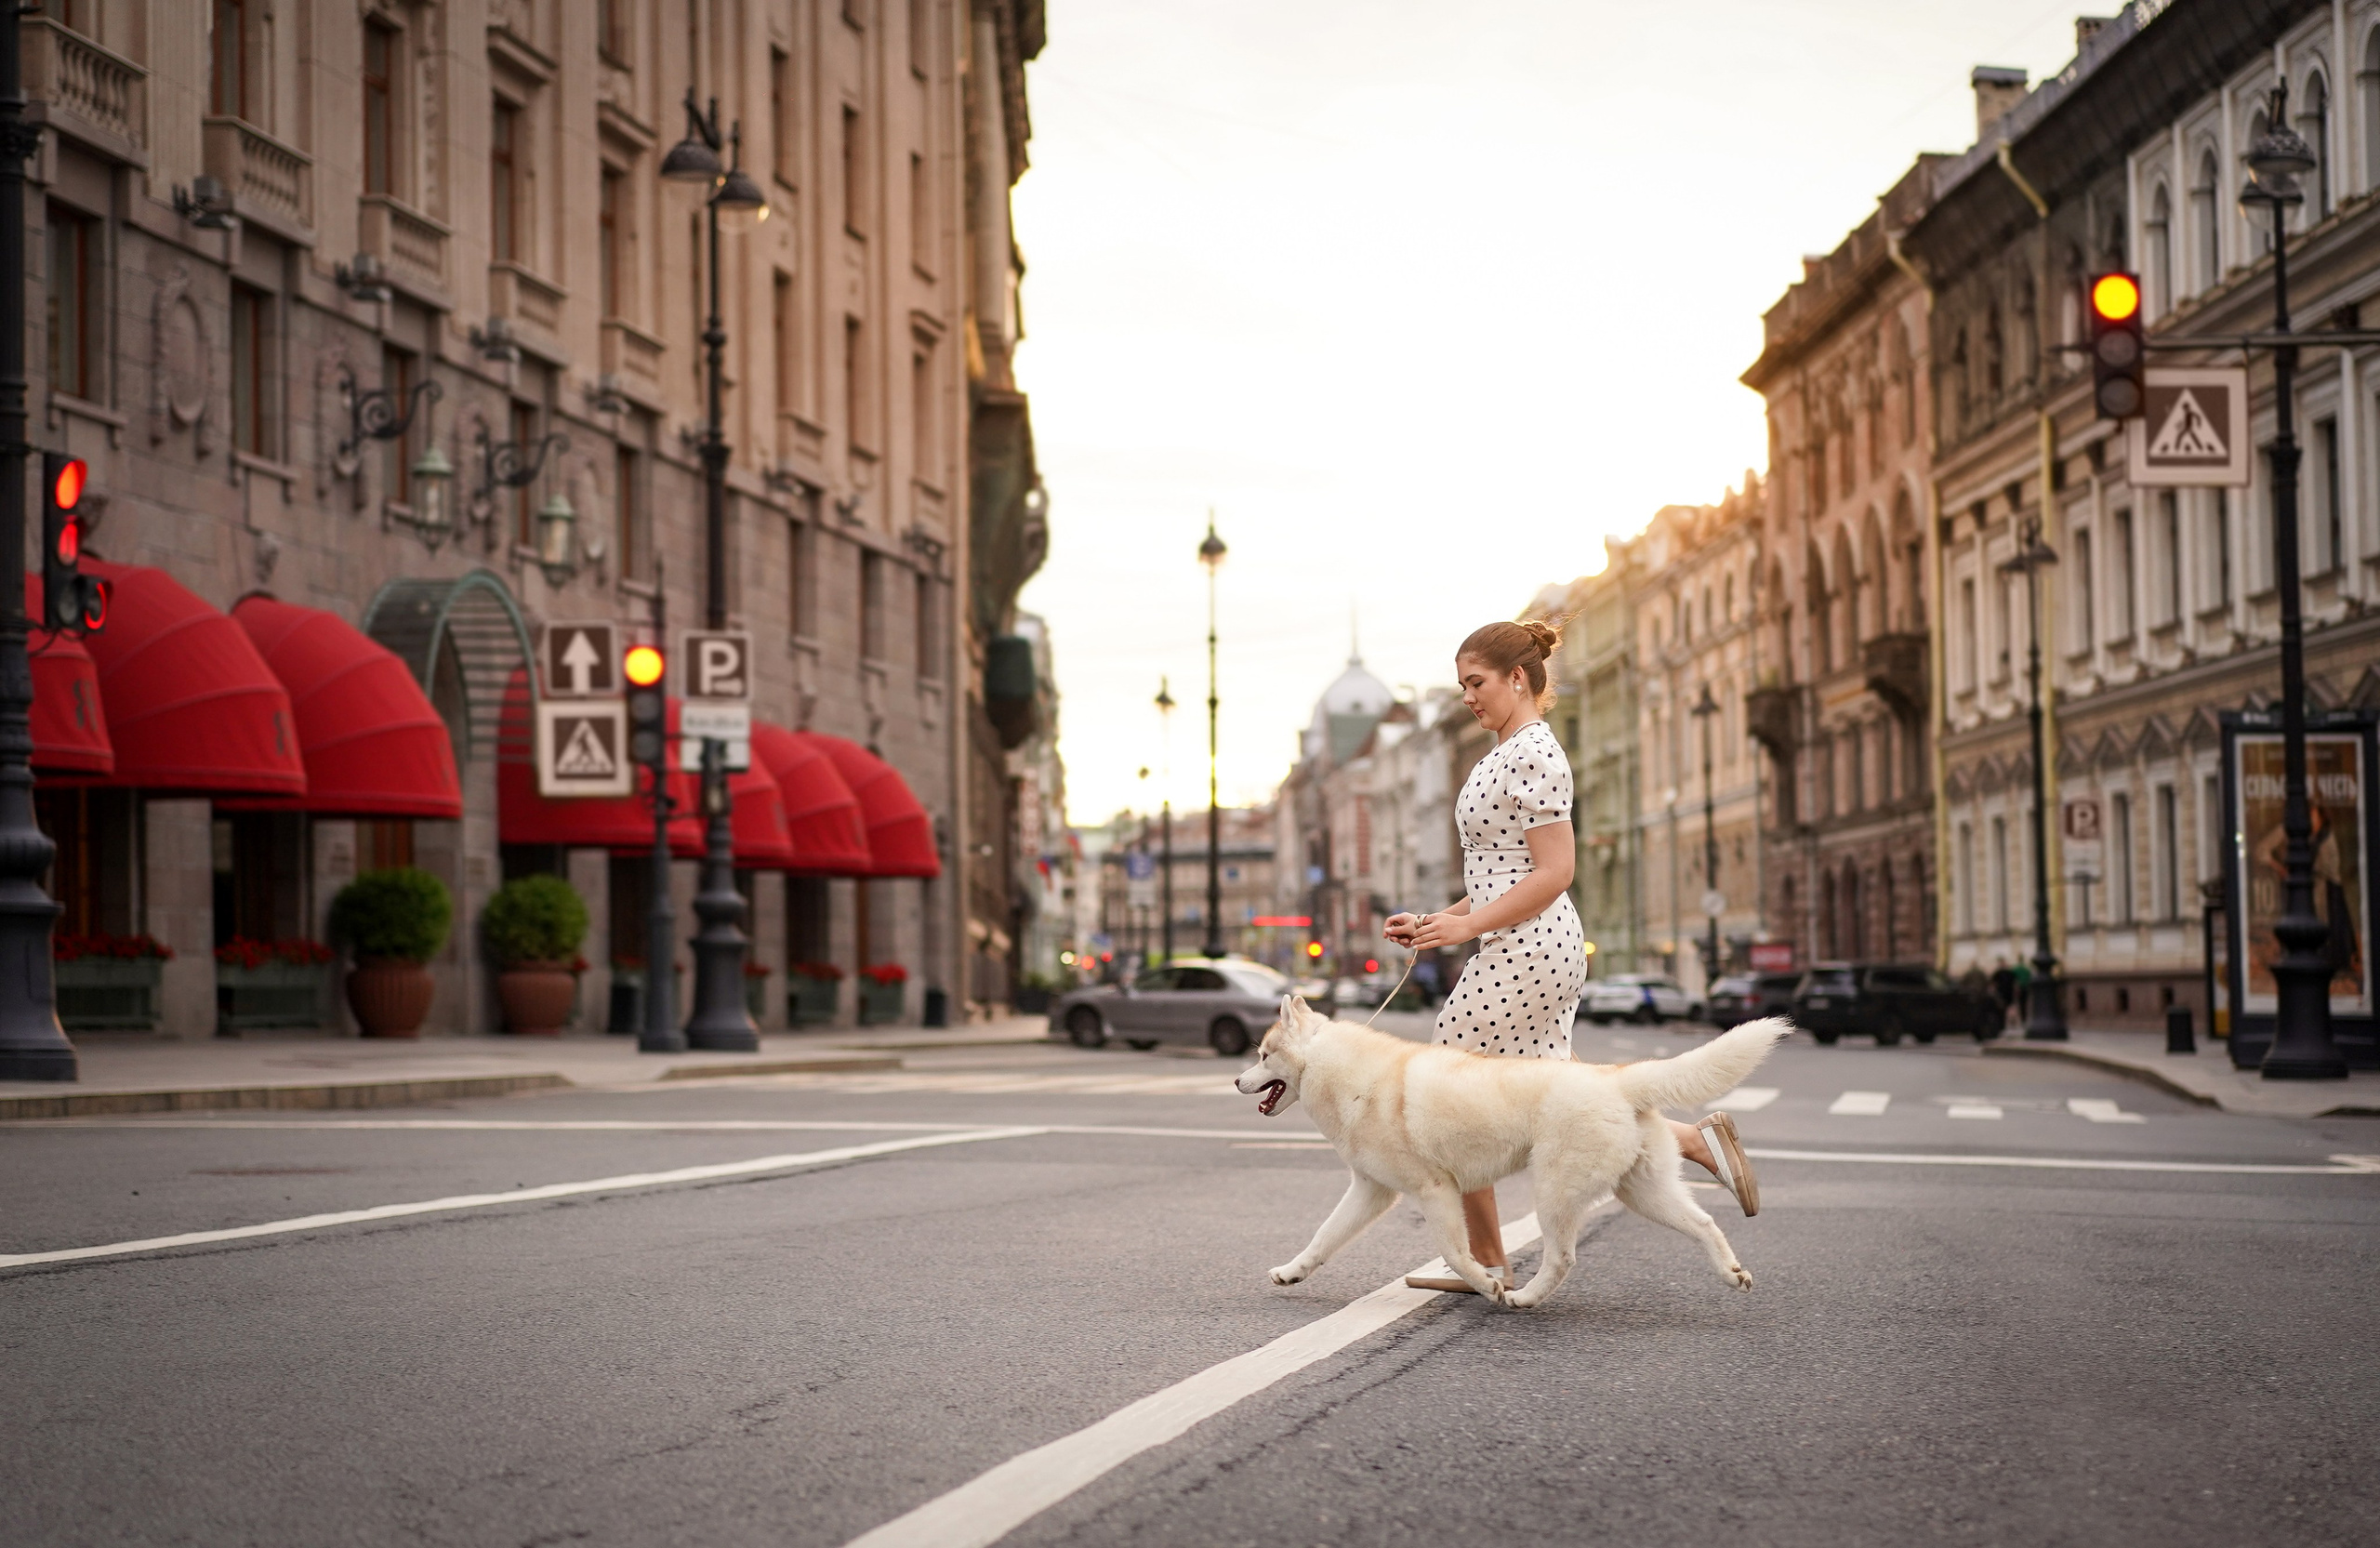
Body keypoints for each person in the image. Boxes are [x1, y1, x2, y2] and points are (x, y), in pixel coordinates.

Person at [1384, 620, 1758, 1295]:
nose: (1468, 696)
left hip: (1530, 945)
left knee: (1448, 1091)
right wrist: (1436, 922)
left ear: (1516, 678)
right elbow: (1498, 873)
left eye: (1477, 682)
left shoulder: (1535, 753)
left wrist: (1467, 930)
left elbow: (1555, 871)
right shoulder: (1501, 752)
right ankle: (1693, 1141)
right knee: (1568, 1093)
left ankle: (1489, 1259)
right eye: (1462, 684)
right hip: (1516, 939)